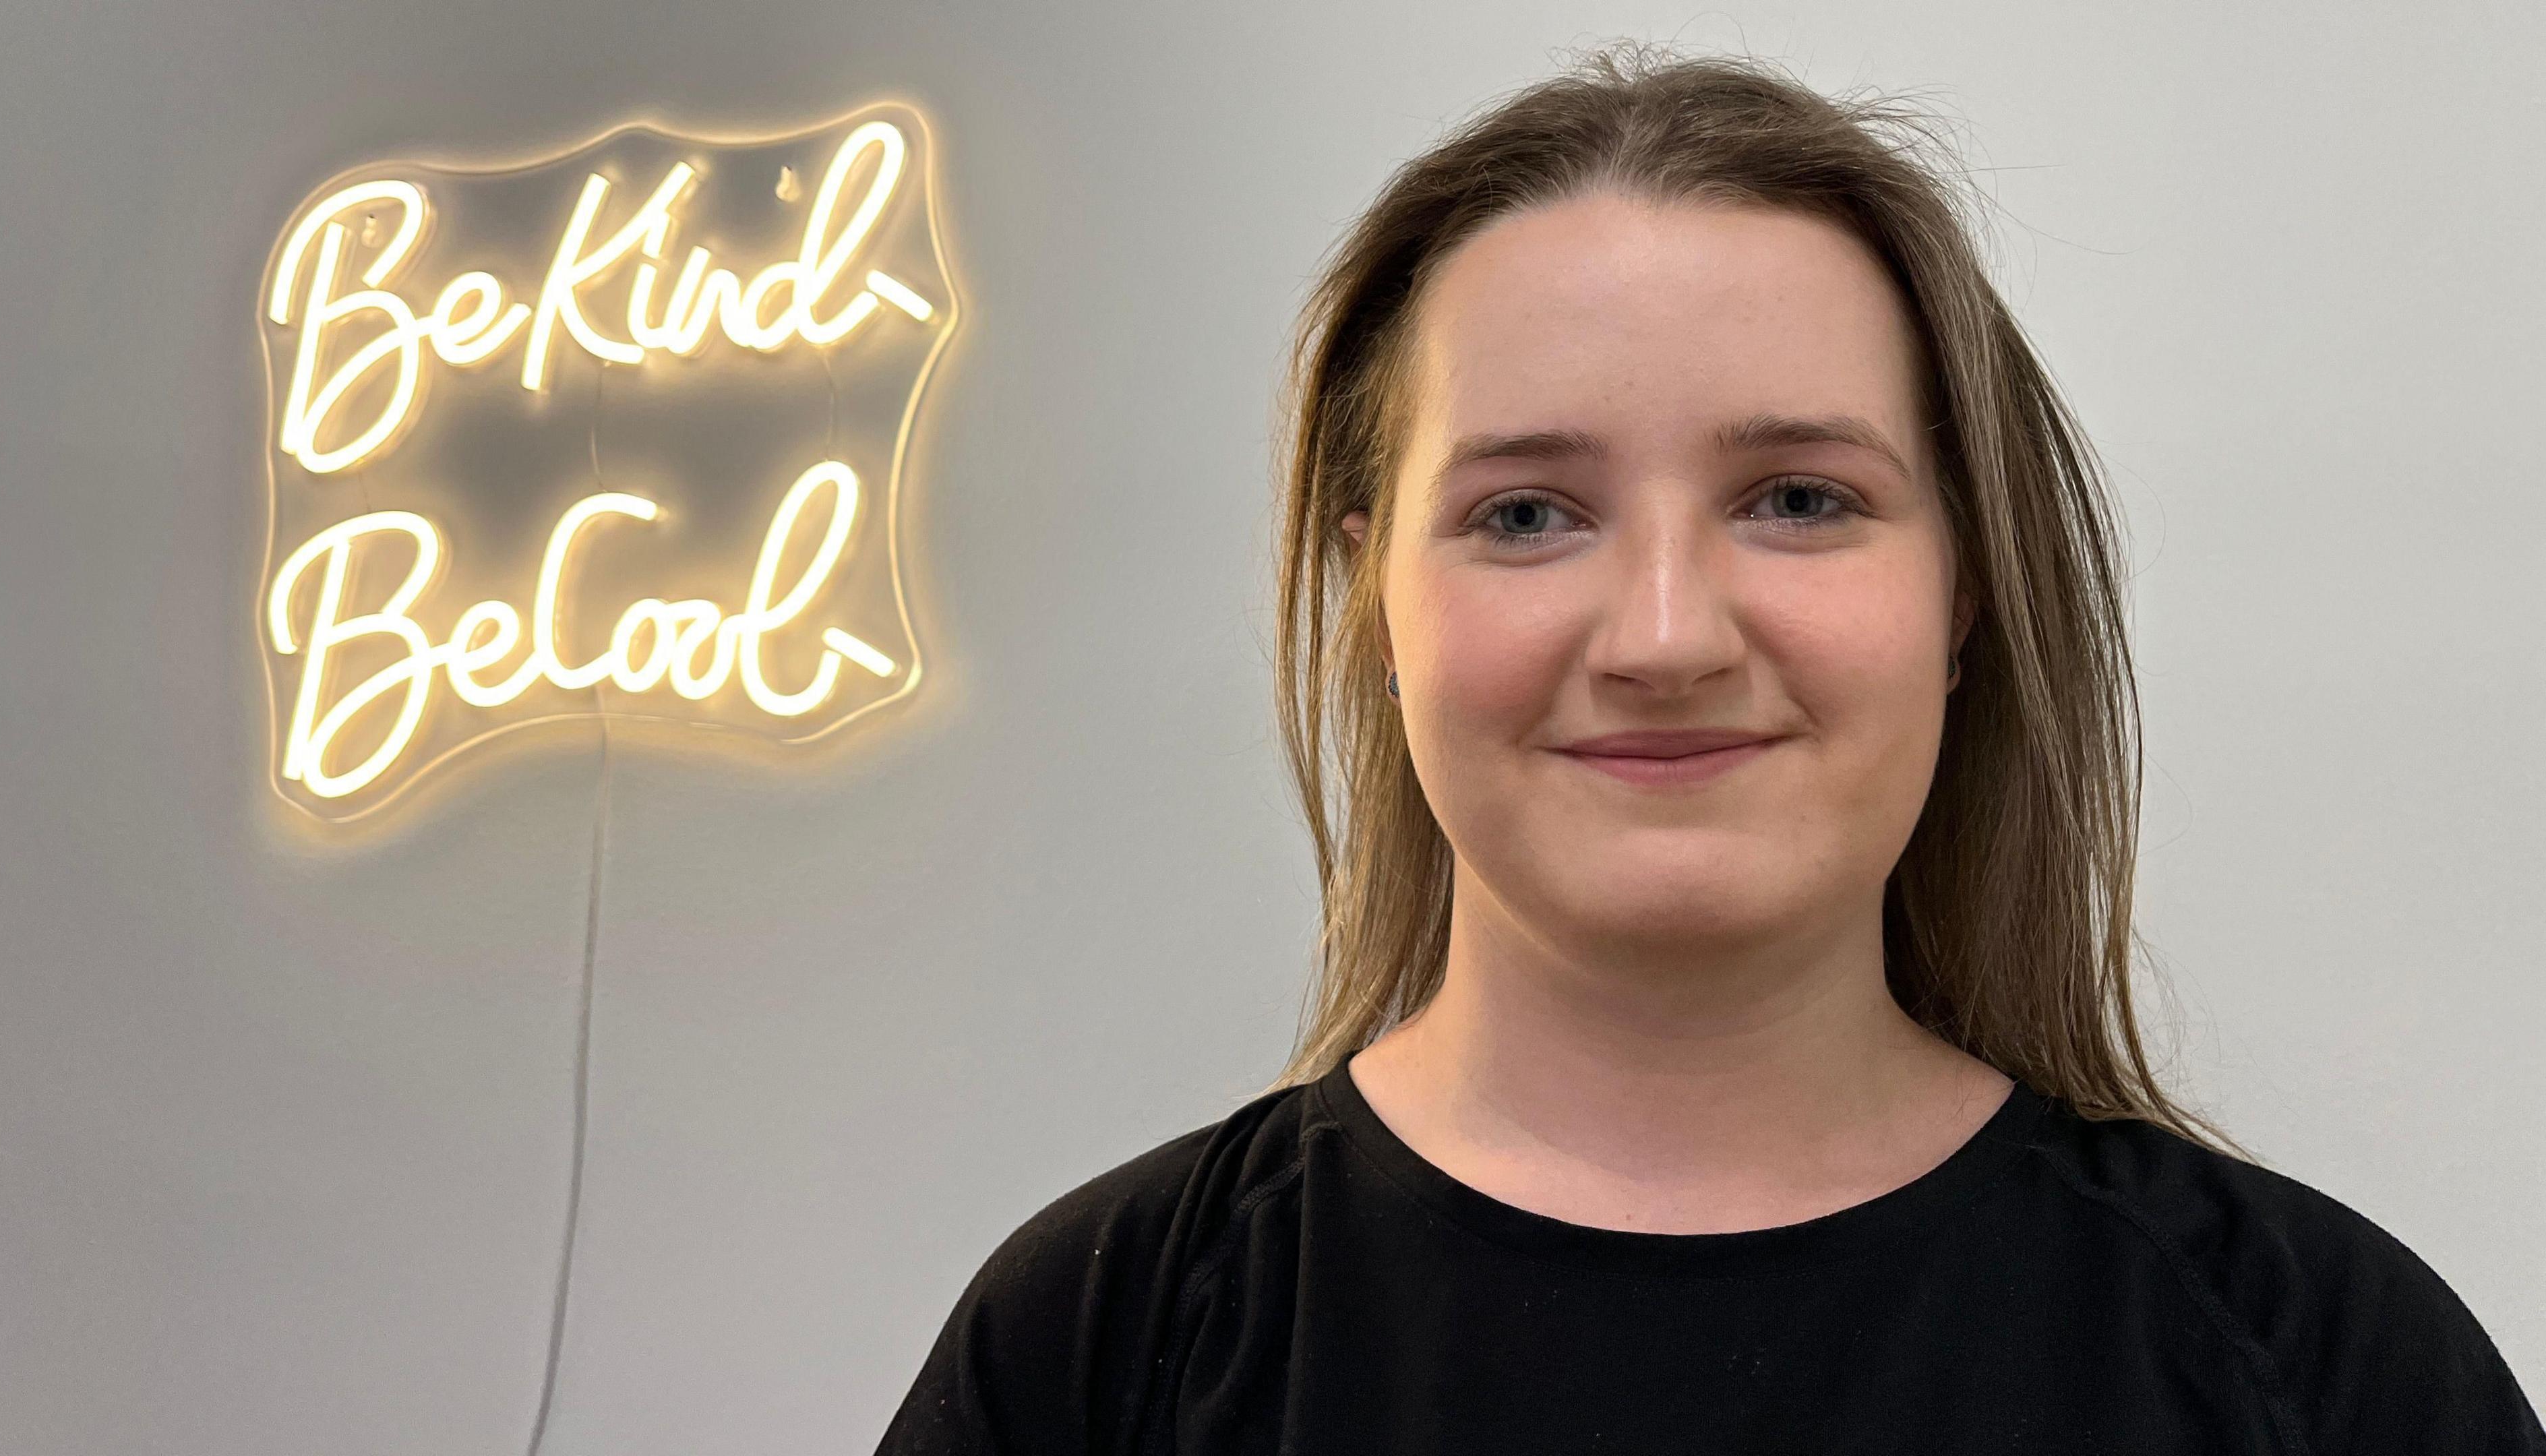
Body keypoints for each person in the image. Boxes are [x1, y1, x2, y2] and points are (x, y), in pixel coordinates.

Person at [872, 43, 2545, 1455]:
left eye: (1800, 499)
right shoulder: (1096, 1354)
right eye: (1526, 513)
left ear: (1965, 587)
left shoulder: (2324, 1372)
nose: (1666, 635)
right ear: (1373, 600)